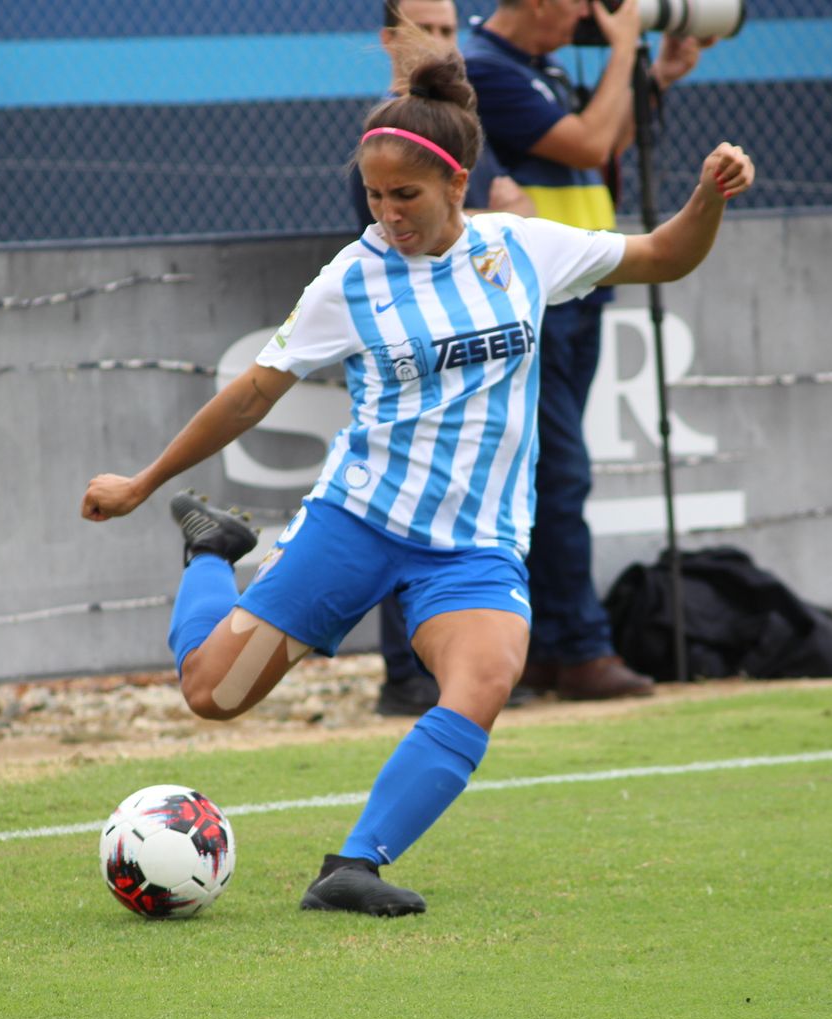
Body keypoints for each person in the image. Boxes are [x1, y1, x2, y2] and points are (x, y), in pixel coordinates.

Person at [80, 47, 752, 917]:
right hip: (358, 521)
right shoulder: (350, 281)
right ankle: (210, 552)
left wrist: (707, 198)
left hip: (473, 543)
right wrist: (143, 482)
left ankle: (352, 865)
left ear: (457, 183)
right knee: (213, 696)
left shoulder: (521, 247)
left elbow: (665, 255)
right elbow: (252, 393)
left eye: (407, 196)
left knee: (486, 678)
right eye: (374, 196)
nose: (389, 215)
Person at [463, 0, 712, 701]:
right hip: (536, 301)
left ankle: (546, 650)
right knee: (561, 474)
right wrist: (624, 50)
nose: (592, 13)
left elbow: (603, 146)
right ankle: (578, 649)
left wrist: (655, 75)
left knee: (554, 475)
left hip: (578, 294)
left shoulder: (539, 68)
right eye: (578, 1)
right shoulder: (488, 73)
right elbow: (586, 142)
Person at [358, 0, 535, 718]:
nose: (441, 43)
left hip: (478, 372)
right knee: (395, 516)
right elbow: (391, 254)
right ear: (389, 39)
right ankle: (406, 674)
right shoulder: (384, 140)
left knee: (474, 520)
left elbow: (477, 238)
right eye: (424, 29)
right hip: (407, 374)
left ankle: (470, 671)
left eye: (450, 29)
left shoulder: (455, 128)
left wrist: (507, 233)